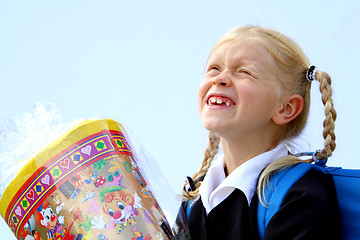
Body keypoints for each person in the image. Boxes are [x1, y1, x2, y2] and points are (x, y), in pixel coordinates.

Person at [174, 25, 341, 239]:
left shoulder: (300, 195)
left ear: (286, 108)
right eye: (214, 68)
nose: (219, 78)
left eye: (244, 72)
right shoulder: (194, 198)